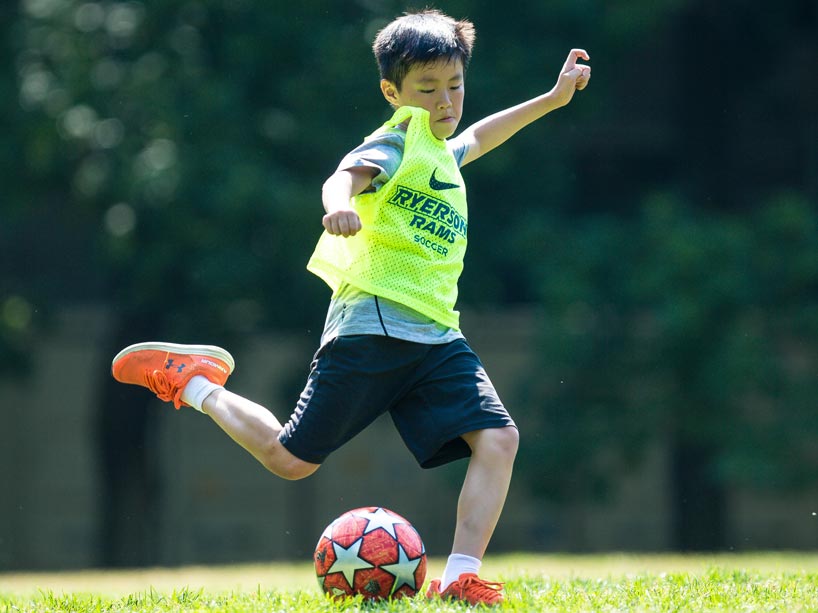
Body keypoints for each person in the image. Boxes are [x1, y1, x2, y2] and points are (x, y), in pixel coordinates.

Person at [111, 9, 590, 606]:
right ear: (393, 92)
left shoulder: (442, 151)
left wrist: (551, 98)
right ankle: (197, 385)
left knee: (498, 439)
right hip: (374, 326)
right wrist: (338, 204)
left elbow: (483, 135)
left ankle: (460, 576)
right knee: (290, 460)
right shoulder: (398, 139)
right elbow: (347, 172)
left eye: (455, 85)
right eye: (427, 89)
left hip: (437, 337)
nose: (446, 102)